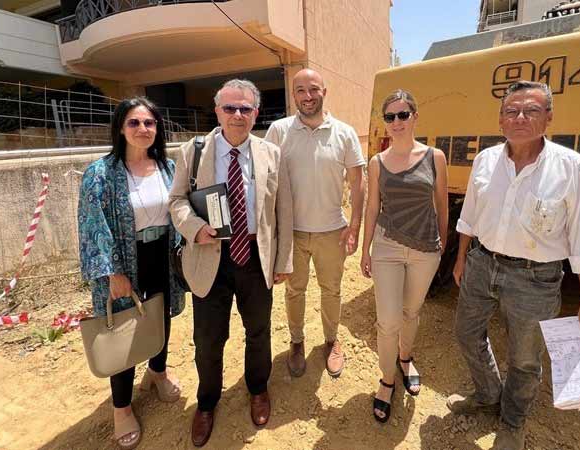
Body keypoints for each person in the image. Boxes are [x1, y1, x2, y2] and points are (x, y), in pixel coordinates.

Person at [449, 81, 580, 450]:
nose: (520, 117)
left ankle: (512, 422)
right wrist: (461, 260)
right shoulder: (485, 160)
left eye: (531, 110)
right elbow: (469, 218)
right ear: (500, 119)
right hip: (481, 263)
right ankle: (488, 395)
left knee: (524, 358)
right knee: (466, 333)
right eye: (512, 111)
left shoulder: (572, 168)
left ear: (548, 117)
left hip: (535, 279)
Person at [169, 79, 293, 447]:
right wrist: (195, 228)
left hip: (256, 257)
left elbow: (284, 210)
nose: (237, 115)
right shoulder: (193, 151)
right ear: (217, 111)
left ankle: (258, 388)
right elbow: (176, 201)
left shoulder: (272, 153)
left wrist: (283, 259)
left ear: (256, 113)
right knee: (208, 339)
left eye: (245, 108)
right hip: (210, 258)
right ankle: (207, 403)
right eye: (230, 108)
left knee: (259, 331)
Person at [78, 97, 186, 450]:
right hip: (125, 261)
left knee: (160, 317)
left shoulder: (168, 167)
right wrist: (113, 273)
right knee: (122, 330)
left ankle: (157, 371)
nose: (143, 129)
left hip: (162, 255)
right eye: (134, 123)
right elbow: (93, 226)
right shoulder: (101, 173)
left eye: (149, 123)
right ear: (121, 128)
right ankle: (122, 407)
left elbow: (181, 208)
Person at [265, 68, 365, 378]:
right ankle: (296, 341)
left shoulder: (344, 133)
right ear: (293, 95)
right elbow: (265, 181)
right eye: (300, 90)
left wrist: (355, 226)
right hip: (292, 233)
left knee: (331, 290)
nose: (307, 96)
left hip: (332, 231)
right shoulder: (279, 131)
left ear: (324, 92)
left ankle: (332, 341)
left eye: (313, 89)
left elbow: (358, 182)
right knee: (294, 291)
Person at [360, 90, 448, 422]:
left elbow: (441, 204)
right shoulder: (377, 162)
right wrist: (365, 249)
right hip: (387, 247)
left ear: (414, 117)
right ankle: (386, 379)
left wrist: (441, 244)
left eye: (403, 114)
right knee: (388, 320)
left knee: (411, 311)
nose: (396, 122)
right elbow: (372, 208)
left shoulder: (435, 157)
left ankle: (405, 358)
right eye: (390, 116)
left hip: (425, 249)